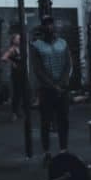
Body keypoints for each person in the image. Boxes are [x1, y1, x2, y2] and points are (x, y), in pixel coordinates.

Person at [29, 15, 72, 166]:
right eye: (46, 25)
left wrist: (63, 83)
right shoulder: (36, 46)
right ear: (42, 28)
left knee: (63, 121)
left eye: (51, 24)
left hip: (63, 89)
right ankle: (47, 152)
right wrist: (53, 86)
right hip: (46, 90)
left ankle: (63, 150)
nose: (49, 27)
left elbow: (68, 65)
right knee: (45, 122)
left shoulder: (63, 43)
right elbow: (38, 70)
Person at [0, 33, 25, 121]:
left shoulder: (21, 48)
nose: (19, 40)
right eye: (18, 38)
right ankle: (14, 113)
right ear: (13, 40)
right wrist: (12, 63)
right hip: (17, 74)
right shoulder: (12, 49)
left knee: (22, 92)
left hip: (22, 73)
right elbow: (3, 58)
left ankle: (18, 111)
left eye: (20, 38)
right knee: (17, 93)